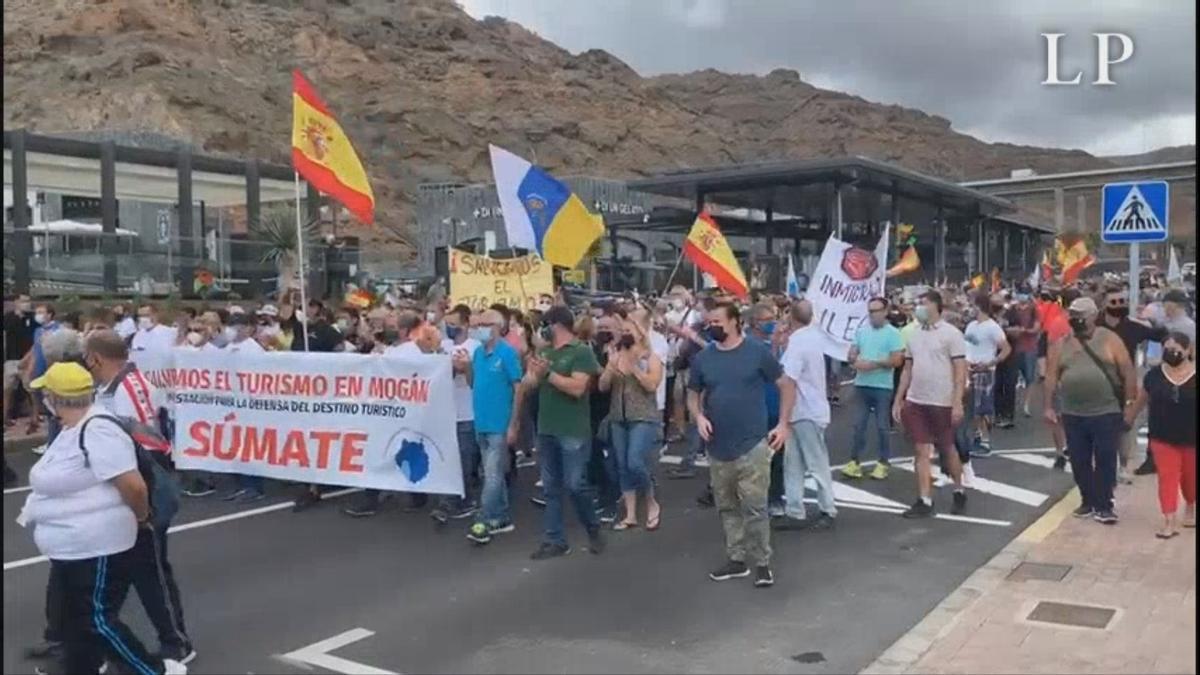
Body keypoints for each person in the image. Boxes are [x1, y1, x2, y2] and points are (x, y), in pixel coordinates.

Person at [18, 362, 187, 675]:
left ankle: (152, 670)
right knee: (74, 618)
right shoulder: (73, 428)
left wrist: (141, 517)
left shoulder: (98, 429)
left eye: (46, 392)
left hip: (97, 545)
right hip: (73, 546)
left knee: (97, 619)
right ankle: (80, 668)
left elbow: (132, 485)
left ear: (54, 396)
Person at [83, 331, 196, 664]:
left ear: (95, 358)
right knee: (117, 570)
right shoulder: (112, 387)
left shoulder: (127, 389)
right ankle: (91, 637)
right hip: (123, 491)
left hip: (141, 490)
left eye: (86, 355)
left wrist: (139, 501)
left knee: (151, 570)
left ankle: (177, 641)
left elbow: (149, 445)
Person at [688, 301, 793, 588]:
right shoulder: (704, 358)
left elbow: (785, 385)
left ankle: (762, 562)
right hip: (718, 446)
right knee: (726, 506)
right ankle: (736, 559)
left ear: (735, 322)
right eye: (708, 322)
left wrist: (783, 424)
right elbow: (693, 392)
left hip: (752, 443)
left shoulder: (757, 352)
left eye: (717, 322)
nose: (711, 327)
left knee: (756, 506)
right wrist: (698, 417)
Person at [1044, 297, 1137, 525]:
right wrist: (1048, 406)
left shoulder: (1109, 340)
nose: (1075, 320)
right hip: (1073, 413)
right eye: (1073, 315)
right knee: (1078, 459)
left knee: (1105, 458)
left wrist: (1129, 406)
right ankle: (1088, 500)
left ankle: (1104, 505)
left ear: (1094, 316)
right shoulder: (1061, 344)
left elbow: (1128, 372)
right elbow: (1051, 377)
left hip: (1105, 411)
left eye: (1080, 315)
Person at [523, 305, 605, 560]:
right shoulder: (545, 351)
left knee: (575, 484)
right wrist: (534, 373)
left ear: (556, 324)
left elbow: (578, 388)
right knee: (550, 487)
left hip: (572, 429)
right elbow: (529, 385)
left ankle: (592, 527)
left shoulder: (581, 352)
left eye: (545, 324)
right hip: (547, 426)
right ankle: (554, 539)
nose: (542, 329)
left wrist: (549, 373)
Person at [892, 291, 969, 518]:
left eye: (923, 303)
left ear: (936, 306)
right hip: (917, 399)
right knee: (920, 448)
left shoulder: (951, 334)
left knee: (947, 447)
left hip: (942, 401)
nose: (919, 307)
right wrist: (899, 398)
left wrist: (957, 402)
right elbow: (907, 368)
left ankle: (959, 489)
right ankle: (924, 499)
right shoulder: (914, 334)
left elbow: (959, 370)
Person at [597, 312, 664, 531]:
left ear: (640, 334)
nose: (625, 335)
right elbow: (603, 387)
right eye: (623, 331)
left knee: (635, 461)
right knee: (622, 465)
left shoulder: (649, 358)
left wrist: (633, 367)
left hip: (643, 416)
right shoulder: (615, 355)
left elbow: (652, 385)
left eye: (629, 332)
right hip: (619, 415)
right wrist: (610, 367)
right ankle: (631, 513)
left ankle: (651, 500)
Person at [1125, 332, 1195, 539]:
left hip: (1192, 439)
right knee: (1167, 477)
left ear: (1187, 350)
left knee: (1191, 479)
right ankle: (1169, 520)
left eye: (1176, 350)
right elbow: (1141, 400)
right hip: (1162, 437)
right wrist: (1128, 419)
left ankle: (1190, 505)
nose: (1171, 353)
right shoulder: (1154, 376)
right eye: (1167, 349)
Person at [775, 300, 836, 531]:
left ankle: (827, 508)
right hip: (806, 409)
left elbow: (787, 379)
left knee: (813, 462)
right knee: (796, 462)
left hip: (805, 409)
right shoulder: (811, 338)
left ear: (791, 317)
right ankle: (795, 509)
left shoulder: (799, 342)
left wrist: (783, 417)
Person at [465, 310, 524, 544]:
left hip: (499, 423)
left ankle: (484, 519)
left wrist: (514, 424)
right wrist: (465, 367)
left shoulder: (507, 354)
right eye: (477, 324)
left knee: (491, 475)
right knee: (492, 474)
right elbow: (473, 383)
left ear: (498, 327)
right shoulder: (479, 353)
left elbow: (519, 389)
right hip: (482, 422)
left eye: (483, 324)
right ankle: (500, 516)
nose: (478, 328)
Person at [1099, 287, 1167, 479]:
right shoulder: (1095, 326)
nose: (1119, 305)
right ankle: (1104, 466)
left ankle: (1123, 466)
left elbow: (1161, 335)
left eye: (1122, 301)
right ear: (1104, 304)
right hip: (1098, 384)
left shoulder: (1133, 327)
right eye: (1114, 302)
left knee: (1126, 425)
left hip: (1125, 384)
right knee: (1100, 425)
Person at [844, 297, 904, 479]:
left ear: (885, 312)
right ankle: (854, 462)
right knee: (858, 425)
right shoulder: (862, 331)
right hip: (862, 384)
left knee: (882, 426)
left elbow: (897, 360)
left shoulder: (893, 333)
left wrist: (873, 364)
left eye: (876, 311)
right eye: (870, 311)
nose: (872, 315)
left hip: (882, 387)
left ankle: (883, 462)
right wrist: (853, 357)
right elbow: (852, 353)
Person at [433, 304, 482, 523]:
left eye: (453, 323)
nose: (449, 327)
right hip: (445, 412)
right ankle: (452, 500)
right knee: (448, 460)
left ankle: (460, 501)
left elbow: (473, 376)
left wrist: (462, 366)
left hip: (467, 412)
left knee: (464, 460)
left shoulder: (475, 347)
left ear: (464, 324)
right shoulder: (442, 345)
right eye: (447, 323)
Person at [964, 295, 1011, 457]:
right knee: (972, 408)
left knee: (983, 407)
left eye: (972, 305)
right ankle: (976, 437)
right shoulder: (970, 325)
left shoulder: (993, 327)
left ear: (979, 307)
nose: (970, 309)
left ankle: (985, 441)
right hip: (969, 371)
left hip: (984, 372)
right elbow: (968, 347)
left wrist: (991, 363)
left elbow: (1006, 349)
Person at [1001, 289, 1041, 425]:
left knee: (1029, 377)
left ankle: (1027, 404)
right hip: (1015, 348)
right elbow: (1004, 324)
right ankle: (1011, 405)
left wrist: (1024, 331)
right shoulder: (1011, 310)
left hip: (1030, 348)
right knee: (1012, 378)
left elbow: (1036, 328)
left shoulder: (1034, 310)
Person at [4, 294, 37, 431]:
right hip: (11, 360)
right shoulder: (8, 318)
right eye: (24, 301)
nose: (27, 304)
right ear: (16, 302)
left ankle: (34, 418)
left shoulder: (33, 319)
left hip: (28, 360)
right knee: (7, 390)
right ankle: (5, 418)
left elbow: (38, 339)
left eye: (28, 301)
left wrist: (29, 358)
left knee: (32, 391)